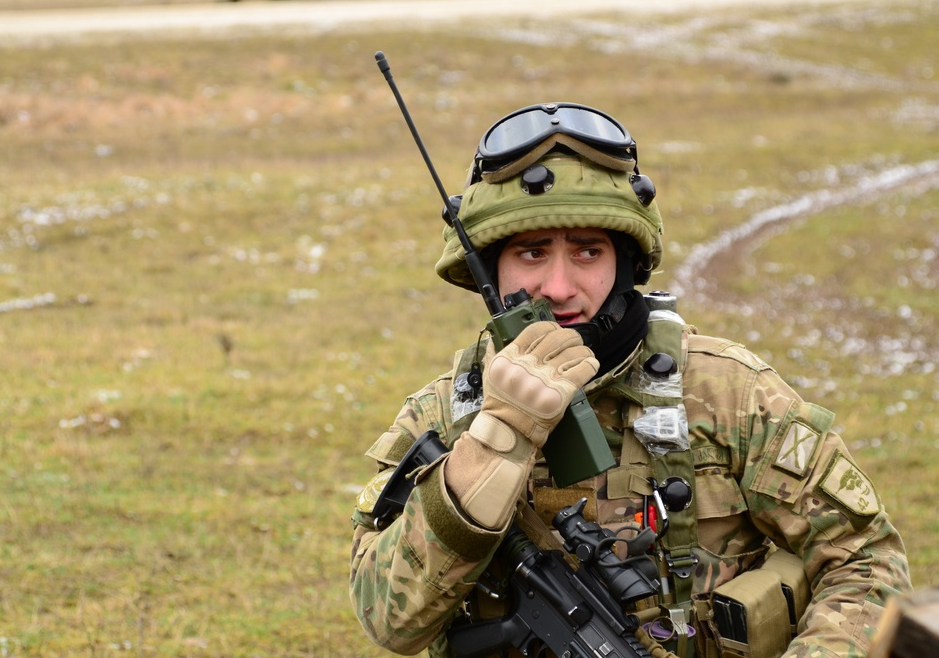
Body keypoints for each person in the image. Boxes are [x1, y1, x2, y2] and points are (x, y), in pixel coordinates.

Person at [349, 102, 911, 658]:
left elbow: (865, 560)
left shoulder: (729, 392)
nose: (559, 286)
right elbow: (390, 623)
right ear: (490, 273)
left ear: (625, 262)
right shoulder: (442, 415)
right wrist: (497, 436)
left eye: (588, 251)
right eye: (531, 252)